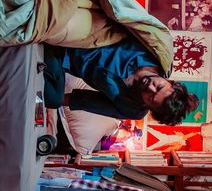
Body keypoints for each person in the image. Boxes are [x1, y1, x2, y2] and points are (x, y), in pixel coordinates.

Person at [44, 36, 199, 125]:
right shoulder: (152, 54)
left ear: (147, 106)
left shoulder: (134, 109)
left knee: (53, 99)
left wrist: (41, 102)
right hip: (77, 36)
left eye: (151, 98)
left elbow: (84, 101)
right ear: (169, 82)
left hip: (63, 61)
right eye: (159, 87)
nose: (150, 88)